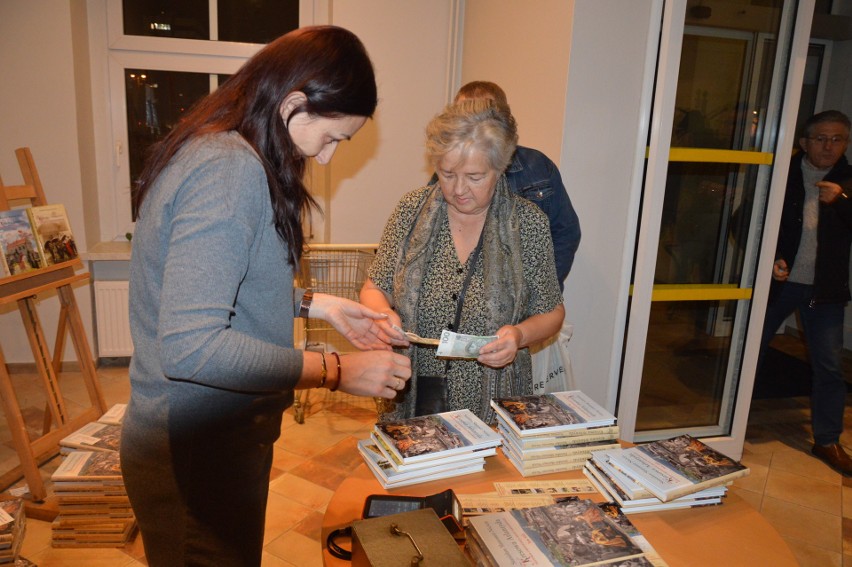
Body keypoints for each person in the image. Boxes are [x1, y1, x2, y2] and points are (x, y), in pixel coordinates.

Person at [121, 26, 411, 566]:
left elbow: (220, 282)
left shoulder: (221, 151)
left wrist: (314, 304)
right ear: (294, 104)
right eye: (331, 139)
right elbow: (192, 347)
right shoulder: (229, 170)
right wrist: (334, 370)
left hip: (209, 445)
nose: (326, 159)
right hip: (192, 455)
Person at [361, 98, 565, 422]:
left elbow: (552, 312)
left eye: (474, 177)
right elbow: (375, 287)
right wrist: (383, 315)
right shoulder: (410, 212)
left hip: (495, 397)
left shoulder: (527, 224)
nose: (458, 189)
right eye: (447, 173)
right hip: (413, 390)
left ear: (499, 169)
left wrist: (518, 336)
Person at [758, 110, 852, 475]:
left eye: (837, 139)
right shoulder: (780, 175)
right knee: (747, 358)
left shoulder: (848, 180)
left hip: (825, 291)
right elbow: (744, 220)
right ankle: (727, 430)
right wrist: (771, 258)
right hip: (779, 285)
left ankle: (827, 441)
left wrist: (842, 202)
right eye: (821, 139)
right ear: (804, 143)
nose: (828, 146)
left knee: (829, 367)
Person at [430, 81, 581, 288]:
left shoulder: (538, 168)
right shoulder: (435, 184)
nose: (459, 188)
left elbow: (565, 233)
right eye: (463, 116)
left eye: (474, 177)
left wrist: (539, 292)